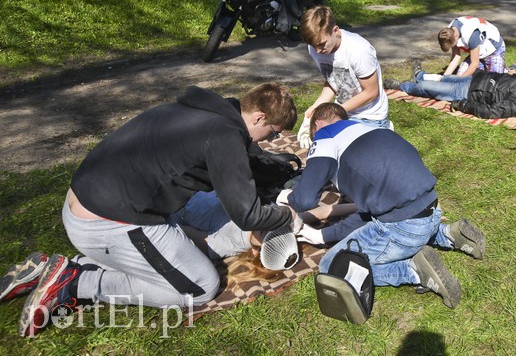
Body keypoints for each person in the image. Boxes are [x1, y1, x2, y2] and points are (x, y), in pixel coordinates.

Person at [5, 84, 300, 337]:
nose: (269, 141)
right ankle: (76, 282)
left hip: (85, 201)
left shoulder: (201, 110)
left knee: (201, 230)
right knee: (200, 287)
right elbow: (247, 215)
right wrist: (286, 215)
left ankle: (51, 268)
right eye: (272, 133)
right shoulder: (225, 135)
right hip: (108, 223)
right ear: (259, 117)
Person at [279, 103, 485, 309]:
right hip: (432, 209)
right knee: (408, 222)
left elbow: (305, 199)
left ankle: (414, 271)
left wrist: (287, 199)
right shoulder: (371, 129)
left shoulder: (325, 136)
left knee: (331, 265)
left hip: (404, 228)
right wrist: (322, 236)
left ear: (318, 124)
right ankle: (448, 234)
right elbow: (367, 214)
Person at [297, 6, 390, 147]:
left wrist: (333, 112)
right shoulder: (315, 48)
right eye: (313, 45)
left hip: (370, 116)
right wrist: (316, 108)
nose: (318, 51)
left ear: (335, 30)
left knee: (354, 155)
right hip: (344, 111)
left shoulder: (359, 50)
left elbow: (371, 93)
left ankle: (383, 130)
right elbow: (334, 81)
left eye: (321, 44)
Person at [384, 60, 516, 119]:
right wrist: (514, 71)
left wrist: (464, 105)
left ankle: (402, 86)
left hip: (468, 93)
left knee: (425, 88)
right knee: (444, 78)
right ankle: (420, 75)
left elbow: (491, 112)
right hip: (478, 78)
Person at [438, 16, 506, 77]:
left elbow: (475, 64)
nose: (454, 46)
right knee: (460, 75)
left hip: (493, 50)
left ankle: (508, 70)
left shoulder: (470, 35)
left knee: (493, 80)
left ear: (456, 36)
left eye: (453, 45)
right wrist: (444, 77)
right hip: (477, 53)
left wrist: (459, 81)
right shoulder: (450, 32)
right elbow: (456, 57)